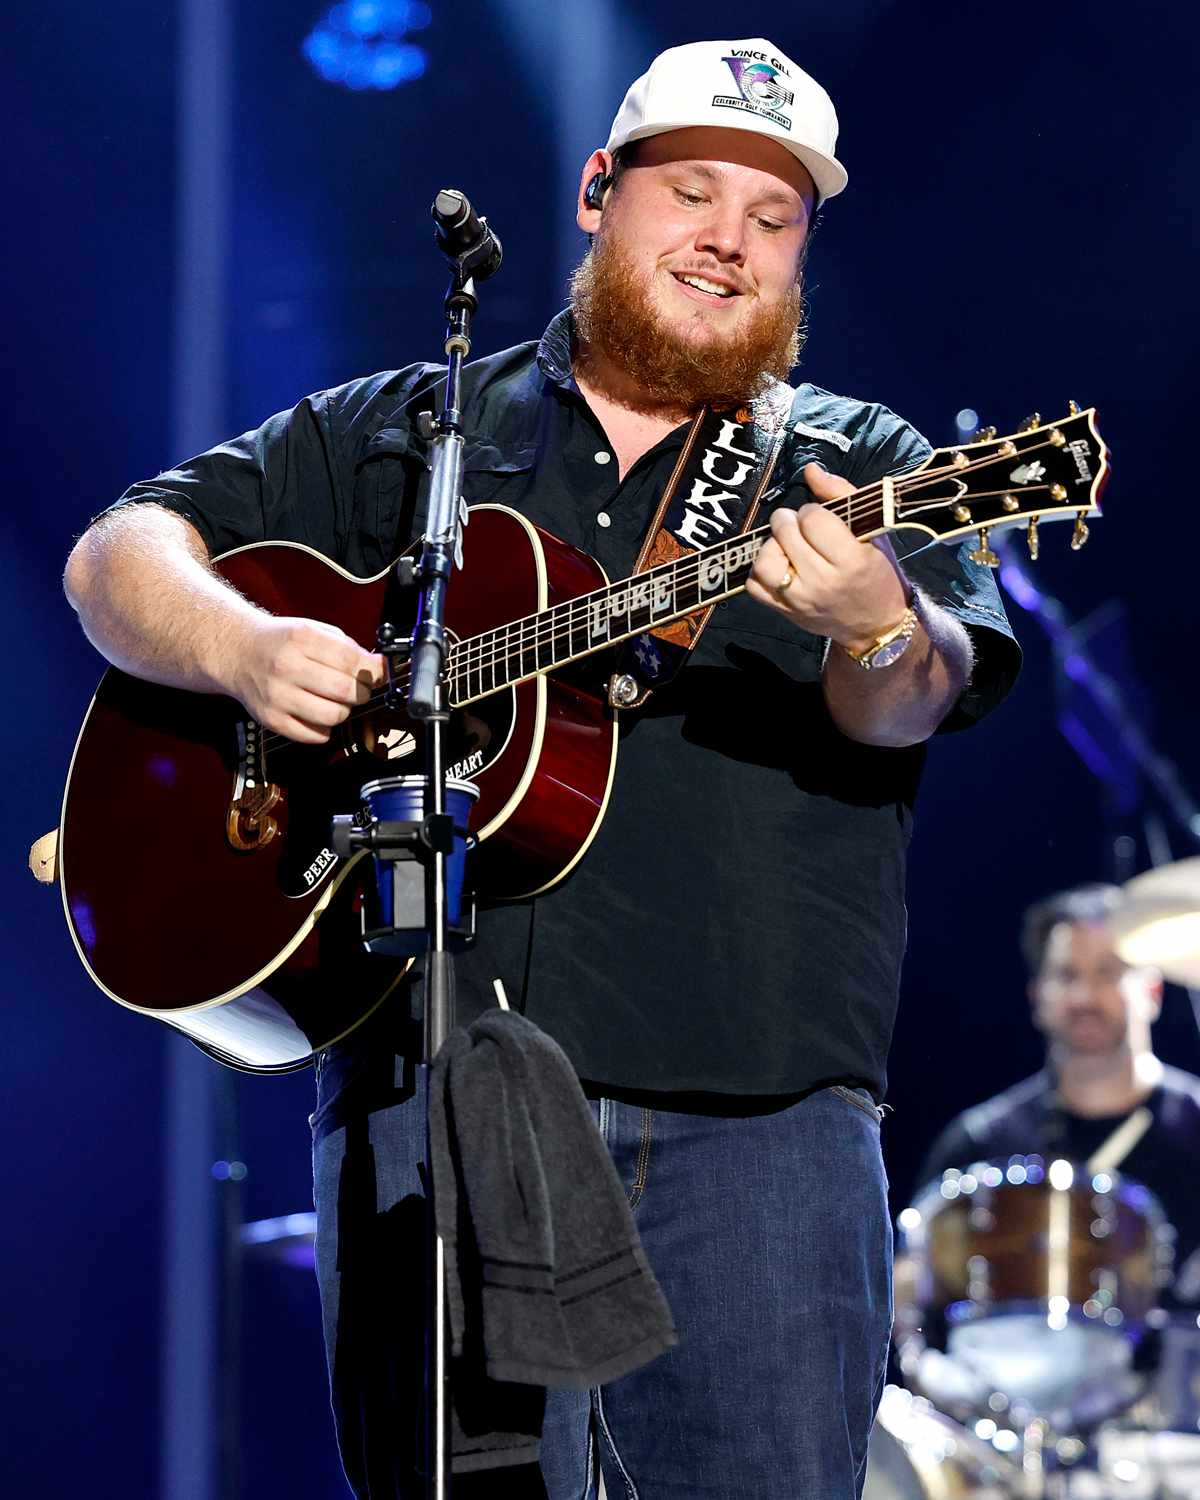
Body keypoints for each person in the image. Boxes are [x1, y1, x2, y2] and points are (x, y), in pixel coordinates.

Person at [62, 37, 1021, 1500]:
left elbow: (915, 700)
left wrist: (878, 625)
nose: (728, 241)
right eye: (691, 192)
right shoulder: (410, 430)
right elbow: (117, 554)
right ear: (596, 192)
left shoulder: (848, 459)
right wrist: (249, 650)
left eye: (775, 220)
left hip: (752, 1132)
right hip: (429, 1099)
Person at [913, 884, 1200, 1296]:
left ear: (1152, 991)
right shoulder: (981, 1145)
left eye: (1107, 972)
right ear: (1037, 996)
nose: (1084, 996)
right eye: (1067, 975)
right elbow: (914, 1284)